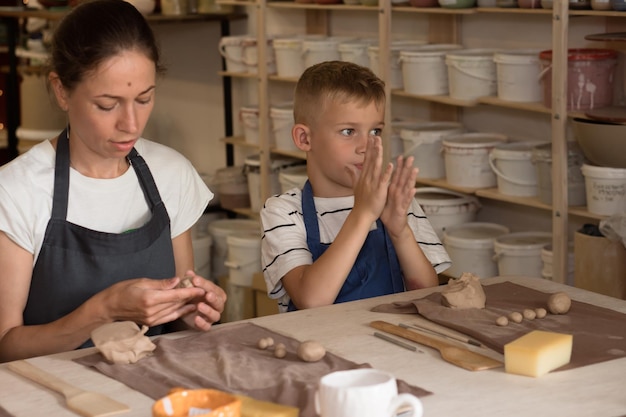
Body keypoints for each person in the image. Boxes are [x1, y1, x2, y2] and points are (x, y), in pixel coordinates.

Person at [0, 0, 226, 362]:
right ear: (61, 90)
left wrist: (191, 308)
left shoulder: (172, 173)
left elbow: (181, 313)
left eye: (144, 98)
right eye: (108, 104)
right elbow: (5, 346)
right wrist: (103, 309)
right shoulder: (16, 191)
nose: (131, 124)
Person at [260, 61, 451, 313]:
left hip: (391, 343)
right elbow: (311, 300)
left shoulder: (395, 201)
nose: (365, 146)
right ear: (305, 138)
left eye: (375, 131)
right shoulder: (283, 212)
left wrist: (400, 232)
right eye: (348, 131)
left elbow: (426, 292)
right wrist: (363, 214)